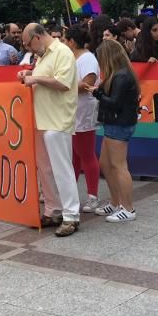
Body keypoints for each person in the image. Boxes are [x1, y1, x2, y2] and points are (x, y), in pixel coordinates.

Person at [18, 23, 81, 237]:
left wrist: (34, 78)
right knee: (46, 169)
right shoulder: (43, 56)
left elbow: (63, 83)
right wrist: (30, 74)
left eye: (28, 44)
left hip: (58, 120)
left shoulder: (62, 51)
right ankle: (53, 210)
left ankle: (71, 216)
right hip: (43, 120)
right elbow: (46, 80)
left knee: (62, 169)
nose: (29, 49)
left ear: (37, 37)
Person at [92, 39, 139, 222]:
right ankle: (116, 202)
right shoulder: (120, 74)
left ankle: (128, 208)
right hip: (115, 124)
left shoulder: (121, 76)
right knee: (105, 163)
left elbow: (115, 104)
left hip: (119, 124)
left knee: (119, 166)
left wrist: (97, 93)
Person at [63, 25, 101, 212]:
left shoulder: (87, 58)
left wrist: (63, 85)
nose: (63, 43)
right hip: (73, 111)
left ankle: (93, 196)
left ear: (71, 41)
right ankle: (72, 193)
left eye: (65, 40)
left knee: (86, 154)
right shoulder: (75, 57)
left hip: (84, 111)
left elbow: (88, 83)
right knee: (75, 156)